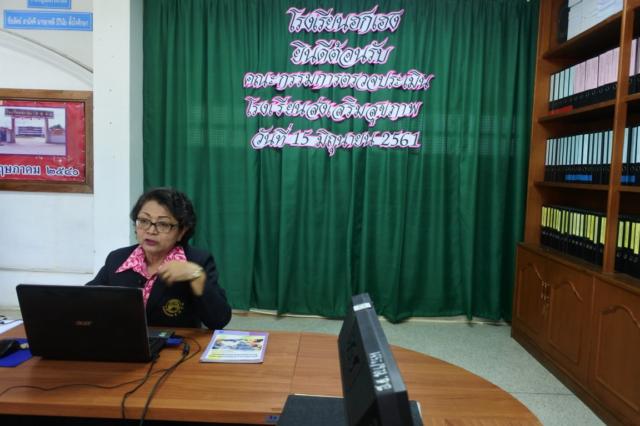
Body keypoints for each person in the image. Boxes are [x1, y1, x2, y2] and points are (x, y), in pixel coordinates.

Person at [87, 187, 231, 330]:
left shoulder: (196, 260)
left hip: (176, 343)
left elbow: (218, 320)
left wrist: (197, 277)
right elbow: (85, 301)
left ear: (182, 231)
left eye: (163, 224)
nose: (151, 230)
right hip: (123, 340)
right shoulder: (118, 259)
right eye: (144, 221)